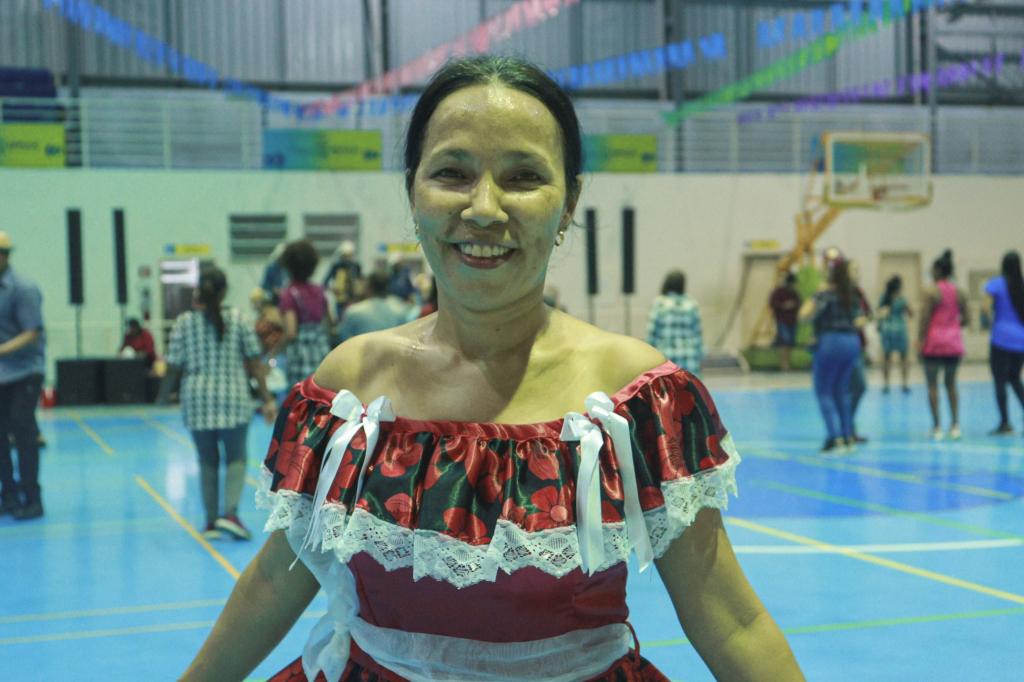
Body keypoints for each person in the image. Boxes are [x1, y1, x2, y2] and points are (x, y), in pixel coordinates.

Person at [180, 56, 802, 682]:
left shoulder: (634, 398)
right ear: (413, 191)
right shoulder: (352, 387)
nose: (484, 209)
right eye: (452, 173)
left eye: (523, 177)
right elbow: (276, 578)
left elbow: (731, 620)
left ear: (569, 202)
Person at [160, 265, 276, 540]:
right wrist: (267, 398)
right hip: (233, 398)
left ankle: (210, 522)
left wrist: (162, 395)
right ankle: (231, 514)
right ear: (224, 292)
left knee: (207, 461)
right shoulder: (239, 319)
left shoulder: (184, 323)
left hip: (197, 400)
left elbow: (173, 365)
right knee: (236, 457)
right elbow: (254, 363)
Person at [0, 231, 46, 520]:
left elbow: (33, 332)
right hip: (2, 373)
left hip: (25, 372)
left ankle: (32, 498)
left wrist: (2, 350)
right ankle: (8, 495)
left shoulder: (23, 288)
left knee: (23, 433)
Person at [800, 258, 866, 452]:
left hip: (830, 342)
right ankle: (847, 435)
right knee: (842, 391)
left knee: (824, 391)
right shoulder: (852, 295)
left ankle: (833, 436)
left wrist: (815, 296)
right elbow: (860, 319)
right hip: (851, 342)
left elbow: (804, 315)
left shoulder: (825, 294)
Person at [919, 250, 967, 441]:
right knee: (951, 384)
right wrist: (952, 326)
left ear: (938, 270)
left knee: (932, 385)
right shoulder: (959, 292)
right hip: (953, 343)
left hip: (934, 343)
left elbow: (925, 318)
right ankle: (955, 425)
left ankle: (937, 427)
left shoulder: (931, 291)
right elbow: (966, 319)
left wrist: (920, 339)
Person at [273, 240, 333, 387]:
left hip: (300, 357)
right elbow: (330, 323)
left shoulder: (289, 294)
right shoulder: (320, 291)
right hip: (322, 352)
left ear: (288, 266)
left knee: (301, 396)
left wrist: (274, 351)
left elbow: (291, 332)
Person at [982, 251, 1024, 435]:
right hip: (1021, 341)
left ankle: (1005, 422)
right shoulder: (1021, 285)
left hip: (1001, 339)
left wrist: (992, 322)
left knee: (1000, 380)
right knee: (1015, 378)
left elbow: (985, 307)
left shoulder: (996, 284)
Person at [645, 270, 704, 376]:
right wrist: (699, 358)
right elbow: (697, 336)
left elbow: (652, 335)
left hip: (666, 360)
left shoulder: (659, 304)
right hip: (689, 359)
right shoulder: (691, 304)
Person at [337, 270, 414, 341]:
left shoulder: (353, 312)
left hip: (363, 351)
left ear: (369, 287)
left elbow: (343, 339)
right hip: (393, 351)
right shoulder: (401, 309)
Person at [877, 275, 912, 394]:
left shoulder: (884, 298)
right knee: (904, 357)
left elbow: (879, 313)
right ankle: (904, 383)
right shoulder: (901, 299)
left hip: (887, 329)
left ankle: (886, 384)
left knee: (886, 358)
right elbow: (910, 313)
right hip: (900, 329)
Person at [322, 240, 362, 320]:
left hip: (354, 299)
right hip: (340, 300)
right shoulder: (336, 266)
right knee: (341, 319)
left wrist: (359, 290)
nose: (348, 258)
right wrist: (333, 289)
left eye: (350, 255)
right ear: (341, 255)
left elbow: (361, 281)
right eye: (345, 256)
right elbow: (324, 283)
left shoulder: (356, 266)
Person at [769, 271, 801, 371]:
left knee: (790, 343)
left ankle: (787, 363)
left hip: (792, 320)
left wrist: (793, 305)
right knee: (784, 342)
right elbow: (772, 303)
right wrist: (783, 306)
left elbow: (799, 302)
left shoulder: (794, 292)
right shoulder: (779, 291)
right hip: (782, 320)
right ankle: (784, 364)